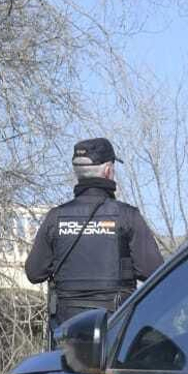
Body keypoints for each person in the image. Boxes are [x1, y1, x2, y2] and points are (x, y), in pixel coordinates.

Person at [25, 137, 163, 339]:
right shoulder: (127, 216)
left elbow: (34, 273)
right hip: (114, 334)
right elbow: (154, 271)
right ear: (108, 170)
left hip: (67, 337)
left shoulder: (56, 218)